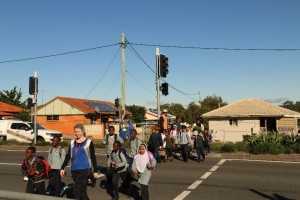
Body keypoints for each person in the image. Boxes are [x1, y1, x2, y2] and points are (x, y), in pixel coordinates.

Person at [60, 124, 98, 200]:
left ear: (82, 131)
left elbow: (93, 157)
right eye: (75, 132)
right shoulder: (72, 142)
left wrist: (95, 170)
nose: (77, 133)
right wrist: (62, 168)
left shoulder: (89, 142)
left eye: (78, 132)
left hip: (84, 169)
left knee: (76, 191)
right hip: (74, 169)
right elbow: (68, 156)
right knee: (83, 193)